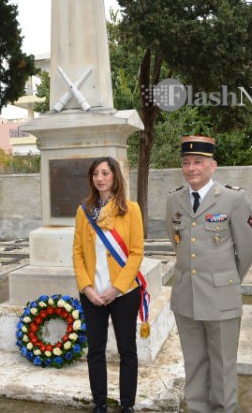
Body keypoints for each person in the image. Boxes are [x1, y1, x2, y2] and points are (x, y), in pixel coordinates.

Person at [166, 135, 252, 413]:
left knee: (222, 364)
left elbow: (248, 249)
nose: (192, 168)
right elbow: (177, 242)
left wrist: (226, 280)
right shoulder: (174, 200)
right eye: (186, 162)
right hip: (186, 296)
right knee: (193, 361)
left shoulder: (233, 199)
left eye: (198, 162)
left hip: (221, 297)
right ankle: (197, 409)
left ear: (213, 166)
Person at [72, 156, 145, 413]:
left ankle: (127, 404)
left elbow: (136, 253)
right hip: (92, 295)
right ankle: (99, 402)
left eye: (105, 173)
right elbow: (78, 253)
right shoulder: (84, 212)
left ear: (115, 176)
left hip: (123, 293)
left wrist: (117, 288)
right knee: (95, 351)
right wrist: (87, 288)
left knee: (127, 350)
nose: (100, 178)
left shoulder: (131, 209)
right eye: (95, 174)